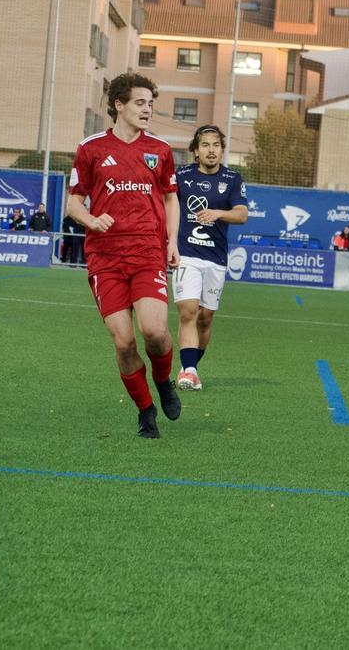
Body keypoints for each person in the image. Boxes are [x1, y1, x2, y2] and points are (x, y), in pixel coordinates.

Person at [64, 71, 181, 438]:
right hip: (105, 258)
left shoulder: (160, 150)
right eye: (140, 103)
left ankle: (163, 381)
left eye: (151, 104)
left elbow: (170, 197)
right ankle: (146, 410)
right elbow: (73, 203)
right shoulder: (91, 148)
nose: (148, 110)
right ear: (119, 104)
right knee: (125, 342)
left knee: (156, 332)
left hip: (147, 252)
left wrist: (172, 240)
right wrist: (92, 219)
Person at [172, 124, 249, 392]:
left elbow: (241, 214)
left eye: (216, 145)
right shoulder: (180, 176)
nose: (211, 150)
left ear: (222, 150)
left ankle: (189, 365)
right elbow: (166, 204)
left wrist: (218, 213)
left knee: (205, 318)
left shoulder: (233, 179)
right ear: (195, 151)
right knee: (188, 310)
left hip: (216, 259)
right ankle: (189, 371)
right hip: (187, 255)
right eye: (205, 145)